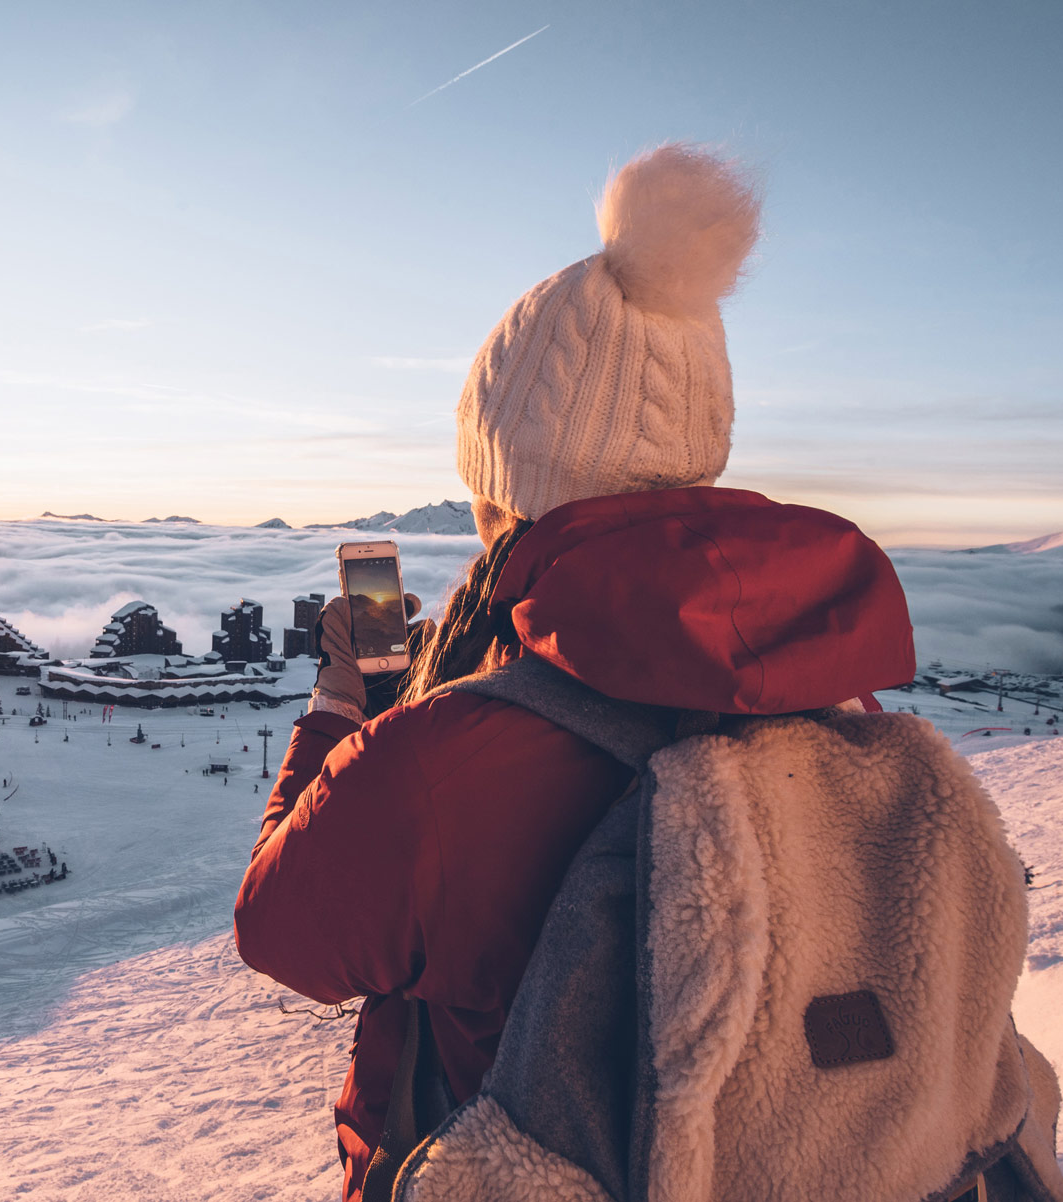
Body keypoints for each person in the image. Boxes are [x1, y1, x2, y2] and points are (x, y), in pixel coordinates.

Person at [234, 145, 916, 1202]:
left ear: (510, 476)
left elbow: (279, 929)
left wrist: (345, 708)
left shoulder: (436, 765)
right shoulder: (819, 688)